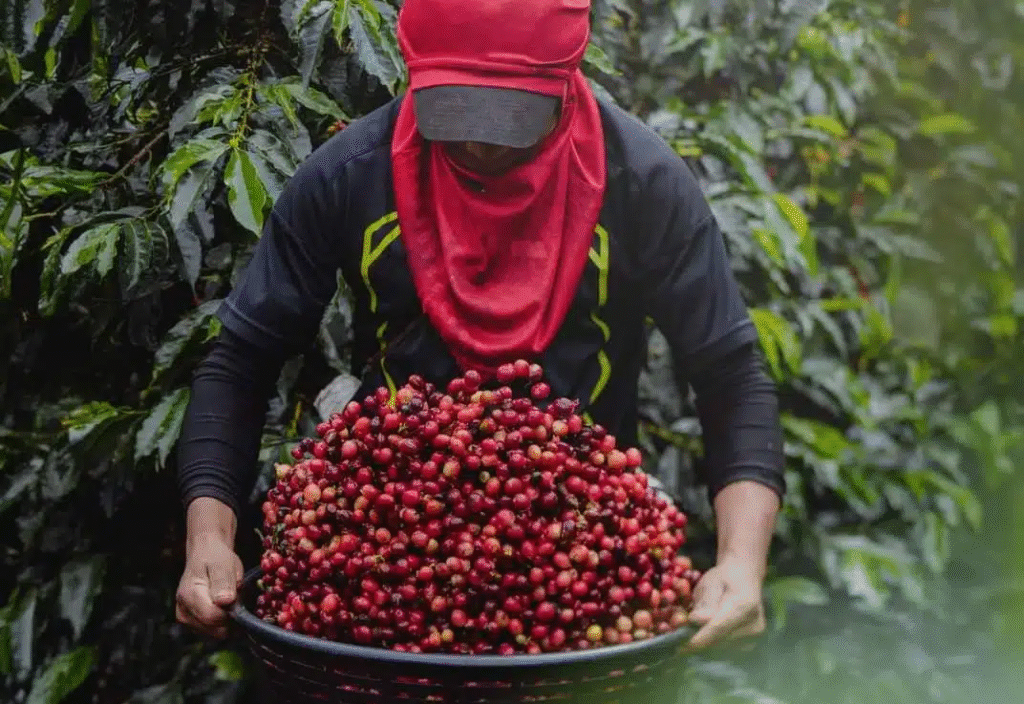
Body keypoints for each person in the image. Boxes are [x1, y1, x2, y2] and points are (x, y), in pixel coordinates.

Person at [174, 0, 784, 654]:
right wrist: (209, 541)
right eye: (455, 111)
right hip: (391, 544)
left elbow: (730, 375)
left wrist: (741, 563)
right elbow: (242, 362)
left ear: (564, 80)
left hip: (583, 543)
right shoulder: (351, 174)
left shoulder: (641, 182)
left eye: (510, 117)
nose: (479, 143)